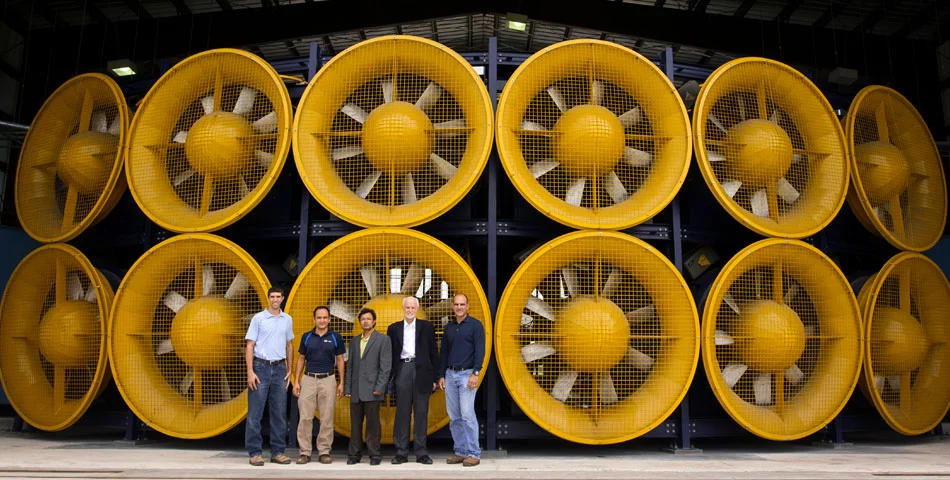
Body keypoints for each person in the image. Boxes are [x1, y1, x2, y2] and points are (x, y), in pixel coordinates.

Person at [244, 286, 295, 466]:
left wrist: (290, 369)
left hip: (280, 368)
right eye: (272, 296)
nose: (275, 299)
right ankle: (255, 452)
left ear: (282, 298)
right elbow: (250, 345)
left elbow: (289, 345)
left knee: (279, 413)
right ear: (268, 298)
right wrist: (250, 372)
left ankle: (278, 452)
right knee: (255, 413)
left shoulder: (287, 319)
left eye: (278, 297)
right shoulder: (258, 318)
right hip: (261, 367)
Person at [387, 296, 439, 465]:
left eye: (412, 307)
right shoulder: (393, 328)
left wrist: (435, 378)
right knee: (402, 413)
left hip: (422, 370)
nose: (410, 310)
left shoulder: (427, 327)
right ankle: (401, 452)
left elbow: (433, 353)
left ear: (417, 309)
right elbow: (390, 355)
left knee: (421, 413)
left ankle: (421, 452)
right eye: (407, 307)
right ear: (403, 308)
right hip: (403, 368)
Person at [292, 305, 345, 465]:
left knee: (326, 417)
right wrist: (296, 381)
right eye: (319, 317)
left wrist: (341, 382)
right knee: (305, 417)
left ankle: (324, 451)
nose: (322, 320)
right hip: (308, 378)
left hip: (328, 379)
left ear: (329, 319)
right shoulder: (306, 337)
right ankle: (305, 452)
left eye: (324, 318)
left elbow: (340, 360)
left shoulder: (336, 337)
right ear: (314, 319)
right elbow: (301, 359)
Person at [438, 293, 486, 467]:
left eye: (462, 304)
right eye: (456, 304)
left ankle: (474, 453)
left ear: (468, 306)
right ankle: (460, 451)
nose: (459, 307)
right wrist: (441, 375)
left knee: (467, 415)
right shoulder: (449, 327)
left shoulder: (475, 326)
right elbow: (443, 352)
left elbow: (480, 350)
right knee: (454, 416)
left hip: (467, 375)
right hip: (450, 375)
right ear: (452, 306)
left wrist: (476, 373)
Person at [344, 308, 392, 466]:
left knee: (373, 425)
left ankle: (374, 455)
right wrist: (348, 388)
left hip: (373, 389)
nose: (365, 321)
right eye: (363, 319)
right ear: (360, 322)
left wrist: (380, 387)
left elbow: (385, 367)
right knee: (355, 425)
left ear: (374, 321)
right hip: (356, 390)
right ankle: (354, 454)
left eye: (368, 319)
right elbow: (350, 366)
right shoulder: (354, 341)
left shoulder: (383, 340)